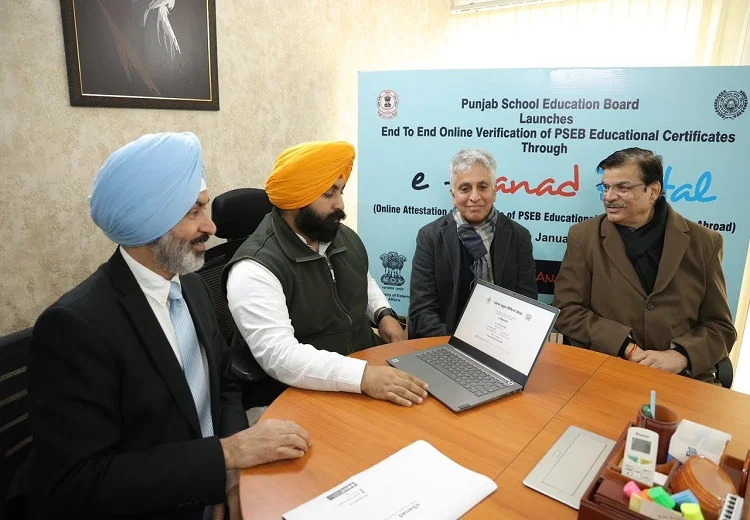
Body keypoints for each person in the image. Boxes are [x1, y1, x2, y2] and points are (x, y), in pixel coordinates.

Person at [30, 133, 312, 520]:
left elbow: (225, 384)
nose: (211, 226)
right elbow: (83, 482)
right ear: (149, 222)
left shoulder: (192, 286)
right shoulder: (75, 328)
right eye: (194, 213)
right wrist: (226, 456)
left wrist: (232, 472)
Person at [224, 141, 428, 407]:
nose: (340, 205)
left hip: (362, 369)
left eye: (341, 191)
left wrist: (383, 313)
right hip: (294, 393)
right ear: (296, 199)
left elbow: (360, 278)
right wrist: (363, 377)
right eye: (328, 195)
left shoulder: (339, 236)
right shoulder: (254, 268)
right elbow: (281, 357)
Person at [553, 147, 736, 383]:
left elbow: (720, 328)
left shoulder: (704, 242)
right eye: (605, 187)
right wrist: (625, 347)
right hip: (608, 369)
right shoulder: (584, 236)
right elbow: (567, 310)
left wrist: (681, 356)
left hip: (682, 378)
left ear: (653, 191)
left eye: (622, 188)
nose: (609, 197)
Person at [409, 148, 537, 338]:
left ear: (495, 192)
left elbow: (526, 305)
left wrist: (499, 343)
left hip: (501, 343)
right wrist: (451, 346)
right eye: (465, 188)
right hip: (443, 342)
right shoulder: (429, 237)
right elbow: (422, 310)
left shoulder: (519, 237)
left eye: (483, 187)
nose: (474, 197)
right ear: (453, 195)